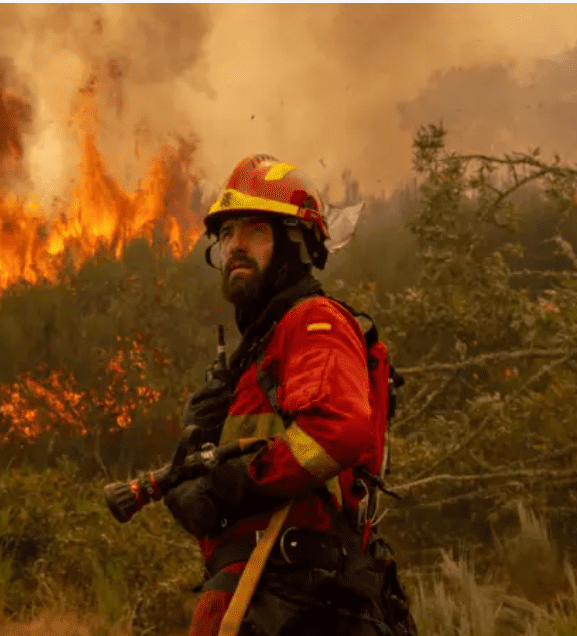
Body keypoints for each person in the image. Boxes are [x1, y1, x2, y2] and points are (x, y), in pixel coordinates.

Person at [164, 155, 413, 636]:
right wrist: (193, 472)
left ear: (296, 243)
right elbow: (231, 501)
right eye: (228, 233)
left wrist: (238, 479)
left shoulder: (313, 319)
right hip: (256, 594)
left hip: (302, 603)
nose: (236, 245)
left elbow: (337, 431)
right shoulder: (260, 353)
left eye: (255, 230)